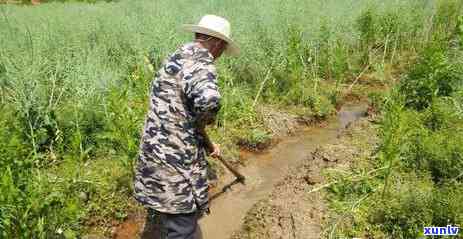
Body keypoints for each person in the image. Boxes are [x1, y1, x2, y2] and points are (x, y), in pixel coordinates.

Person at [133, 15, 239, 239]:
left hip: (153, 150)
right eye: (222, 49)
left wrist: (203, 138)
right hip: (176, 160)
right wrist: (205, 121)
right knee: (184, 229)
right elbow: (209, 100)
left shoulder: (178, 55)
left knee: (170, 213)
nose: (220, 55)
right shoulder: (202, 64)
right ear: (218, 44)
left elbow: (178, 109)